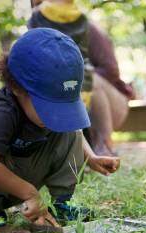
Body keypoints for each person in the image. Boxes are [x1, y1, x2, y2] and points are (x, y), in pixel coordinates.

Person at [0, 28, 120, 228]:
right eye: (49, 107)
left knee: (69, 127)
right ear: (17, 88)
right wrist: (30, 194)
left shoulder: (49, 112)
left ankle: (62, 203)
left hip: (22, 172)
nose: (56, 114)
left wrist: (91, 158)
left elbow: (73, 132)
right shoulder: (4, 112)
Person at [28, 0, 134, 156]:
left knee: (89, 79)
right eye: (35, 4)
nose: (38, 7)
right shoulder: (37, 28)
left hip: (110, 103)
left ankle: (105, 147)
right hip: (68, 98)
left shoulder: (86, 26)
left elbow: (111, 69)